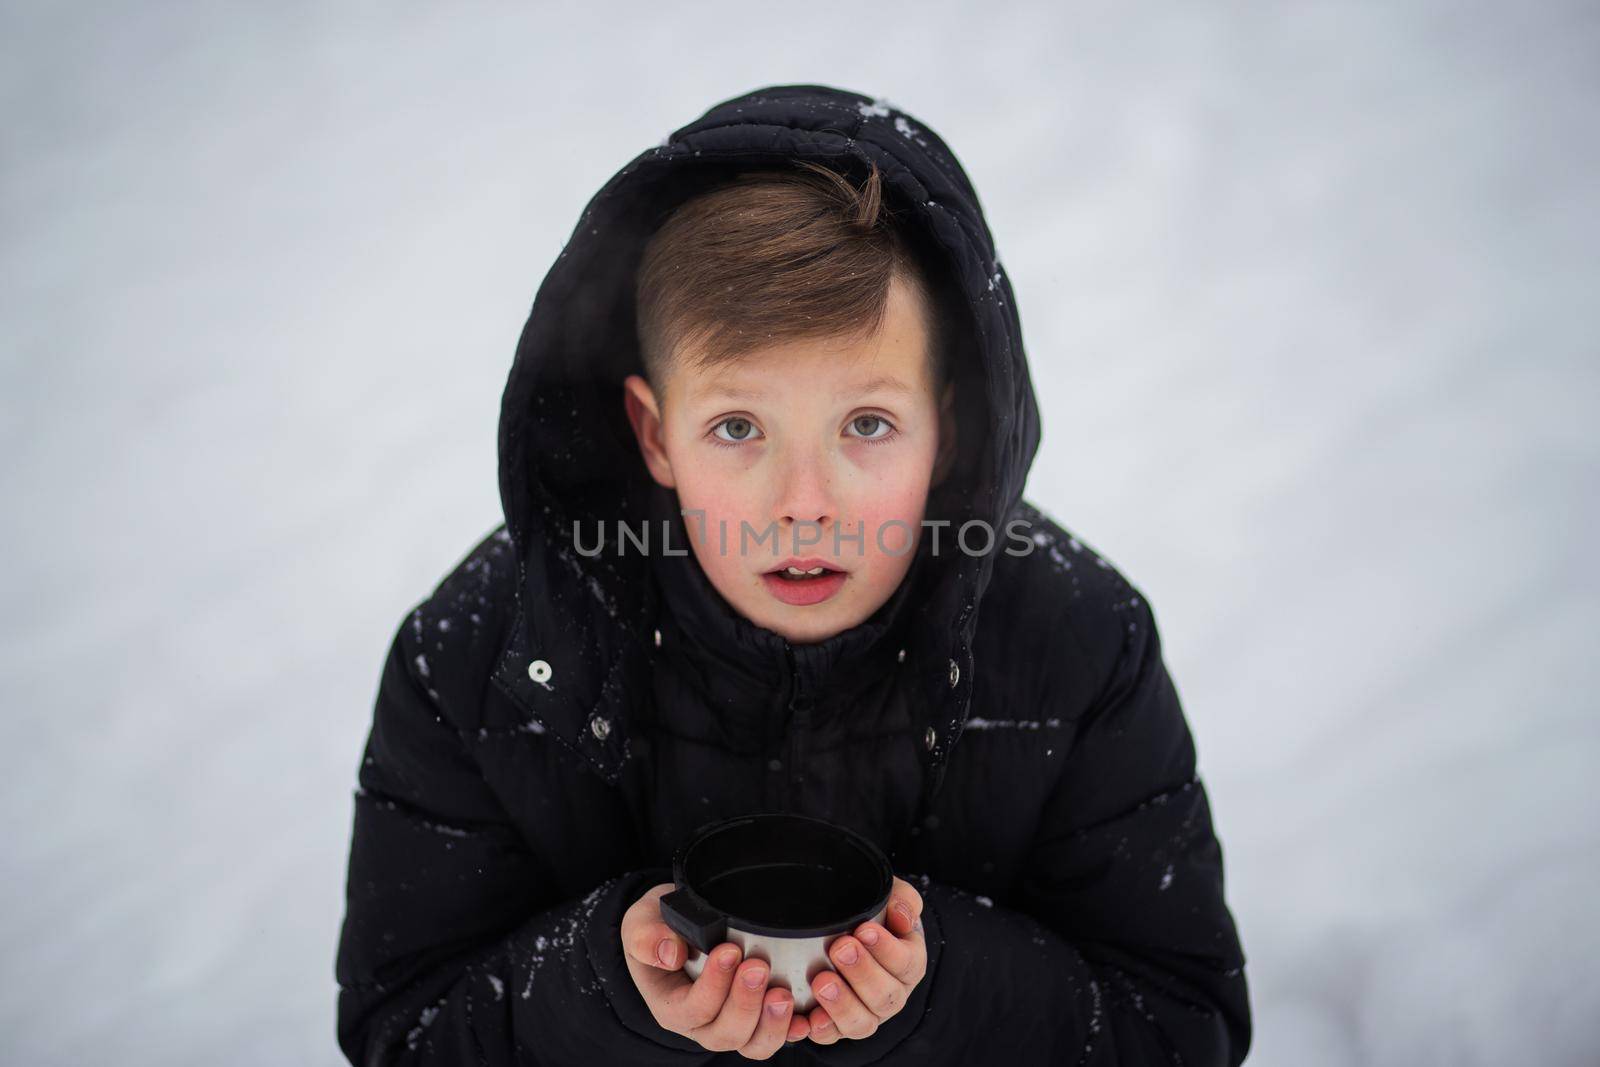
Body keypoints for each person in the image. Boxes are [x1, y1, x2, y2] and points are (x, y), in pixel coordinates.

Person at [334, 83, 1251, 1065]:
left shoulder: (1073, 642)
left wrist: (938, 988)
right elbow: (407, 1034)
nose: (804, 502)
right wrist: (606, 988)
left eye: (866, 423)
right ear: (653, 432)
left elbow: (1177, 1030)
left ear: (945, 426)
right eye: (737, 427)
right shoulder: (488, 657)